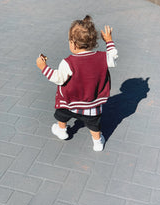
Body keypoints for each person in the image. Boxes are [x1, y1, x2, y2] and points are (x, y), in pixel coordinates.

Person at [36, 15, 118, 151]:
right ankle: (97, 142)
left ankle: (62, 131)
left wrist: (43, 67)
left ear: (73, 44)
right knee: (94, 124)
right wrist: (109, 41)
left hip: (69, 103)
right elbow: (114, 57)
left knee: (61, 115)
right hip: (92, 104)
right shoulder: (103, 57)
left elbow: (58, 78)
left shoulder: (68, 62)